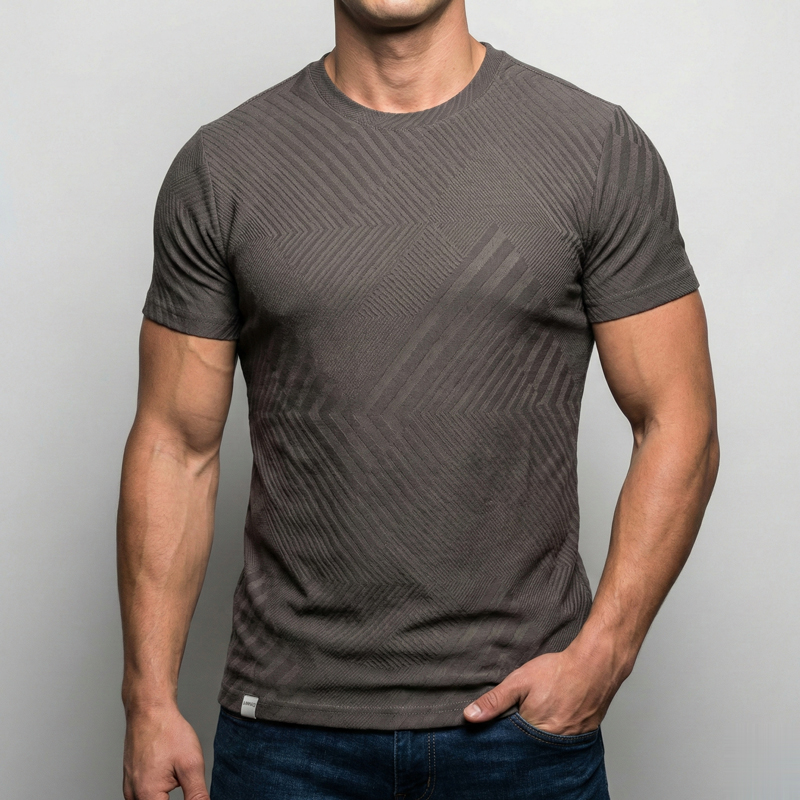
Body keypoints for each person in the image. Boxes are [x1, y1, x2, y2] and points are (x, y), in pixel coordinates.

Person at [117, 1, 720, 798]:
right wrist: (148, 699)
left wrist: (604, 654)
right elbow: (175, 445)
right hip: (286, 738)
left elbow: (678, 420)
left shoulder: (594, 147)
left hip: (519, 736)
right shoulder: (223, 166)